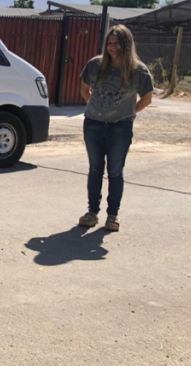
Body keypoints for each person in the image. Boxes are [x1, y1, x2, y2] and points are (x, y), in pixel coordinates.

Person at [77, 24, 153, 232]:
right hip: (93, 125)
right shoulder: (95, 65)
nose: (113, 47)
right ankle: (92, 213)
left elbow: (146, 99)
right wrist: (96, 109)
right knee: (95, 169)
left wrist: (127, 113)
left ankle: (112, 216)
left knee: (115, 171)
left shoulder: (139, 71)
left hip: (120, 128)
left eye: (117, 44)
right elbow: (85, 89)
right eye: (109, 43)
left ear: (126, 45)